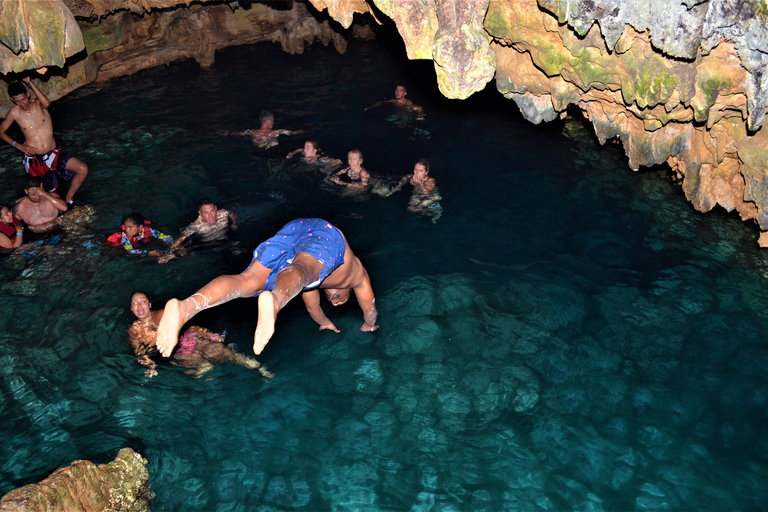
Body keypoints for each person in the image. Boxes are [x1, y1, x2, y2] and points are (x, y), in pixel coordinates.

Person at [156, 218, 378, 358]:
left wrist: (326, 324)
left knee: (249, 280)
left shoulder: (310, 288)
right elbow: (369, 308)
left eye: (332, 300)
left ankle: (185, 307)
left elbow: (314, 311)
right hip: (327, 235)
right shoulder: (358, 278)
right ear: (350, 292)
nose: (335, 300)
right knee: (304, 270)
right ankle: (274, 301)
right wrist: (369, 326)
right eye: (338, 298)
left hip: (295, 228)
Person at [128, 291, 272, 378]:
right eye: (135, 303)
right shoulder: (134, 330)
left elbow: (188, 325)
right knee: (206, 367)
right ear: (131, 308)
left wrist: (208, 335)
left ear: (150, 304)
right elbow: (139, 352)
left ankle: (259, 368)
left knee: (226, 354)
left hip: (191, 339)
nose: (140, 306)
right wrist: (150, 367)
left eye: (143, 302)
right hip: (180, 351)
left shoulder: (164, 313)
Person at [0, 78, 89, 204]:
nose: (23, 104)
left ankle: (69, 198)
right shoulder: (14, 113)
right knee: (42, 195)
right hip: (35, 160)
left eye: (24, 99)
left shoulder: (38, 104)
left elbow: (47, 104)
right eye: (18, 101)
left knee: (82, 168)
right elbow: (1, 132)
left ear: (28, 94)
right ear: (12, 100)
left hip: (53, 153)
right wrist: (19, 146)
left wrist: (30, 83)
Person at [167, 198, 238, 257]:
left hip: (225, 238)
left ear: (216, 208)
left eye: (212, 211)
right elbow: (180, 239)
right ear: (200, 213)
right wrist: (170, 253)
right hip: (208, 244)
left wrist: (234, 224)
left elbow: (232, 214)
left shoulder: (223, 213)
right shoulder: (196, 226)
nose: (210, 216)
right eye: (206, 213)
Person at [107, 212, 175, 261]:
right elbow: (130, 251)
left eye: (130, 227)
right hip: (114, 245)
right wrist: (148, 253)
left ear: (140, 227)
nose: (127, 230)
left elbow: (166, 237)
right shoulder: (125, 237)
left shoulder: (149, 231)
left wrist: (172, 245)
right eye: (126, 227)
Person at [227, 111, 300, 149]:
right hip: (274, 153)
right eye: (272, 120)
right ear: (268, 121)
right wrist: (306, 131)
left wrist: (226, 132)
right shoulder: (277, 132)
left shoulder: (251, 132)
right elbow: (293, 132)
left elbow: (235, 133)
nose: (273, 122)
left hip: (259, 153)